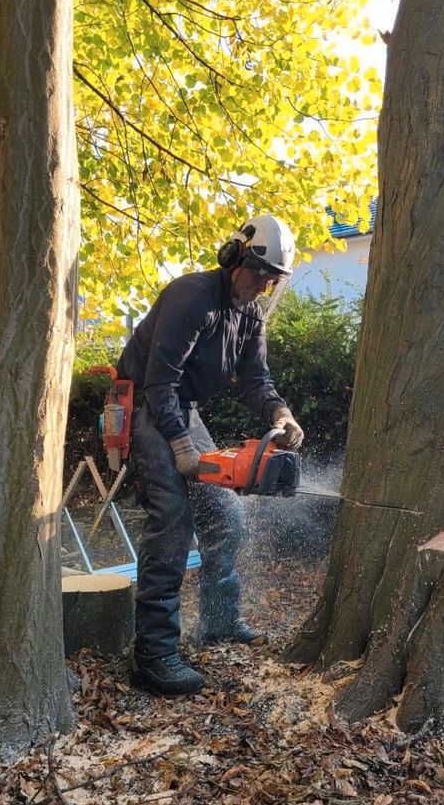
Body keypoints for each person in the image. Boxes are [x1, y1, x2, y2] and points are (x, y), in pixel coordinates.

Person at [116, 213, 304, 696]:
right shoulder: (192, 296)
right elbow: (160, 380)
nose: (263, 285)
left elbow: (257, 381)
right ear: (234, 256)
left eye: (272, 279)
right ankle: (153, 656)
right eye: (260, 272)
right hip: (143, 401)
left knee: (225, 511)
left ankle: (219, 621)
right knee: (174, 517)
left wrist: (280, 416)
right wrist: (180, 447)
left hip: (182, 408)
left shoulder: (250, 315)